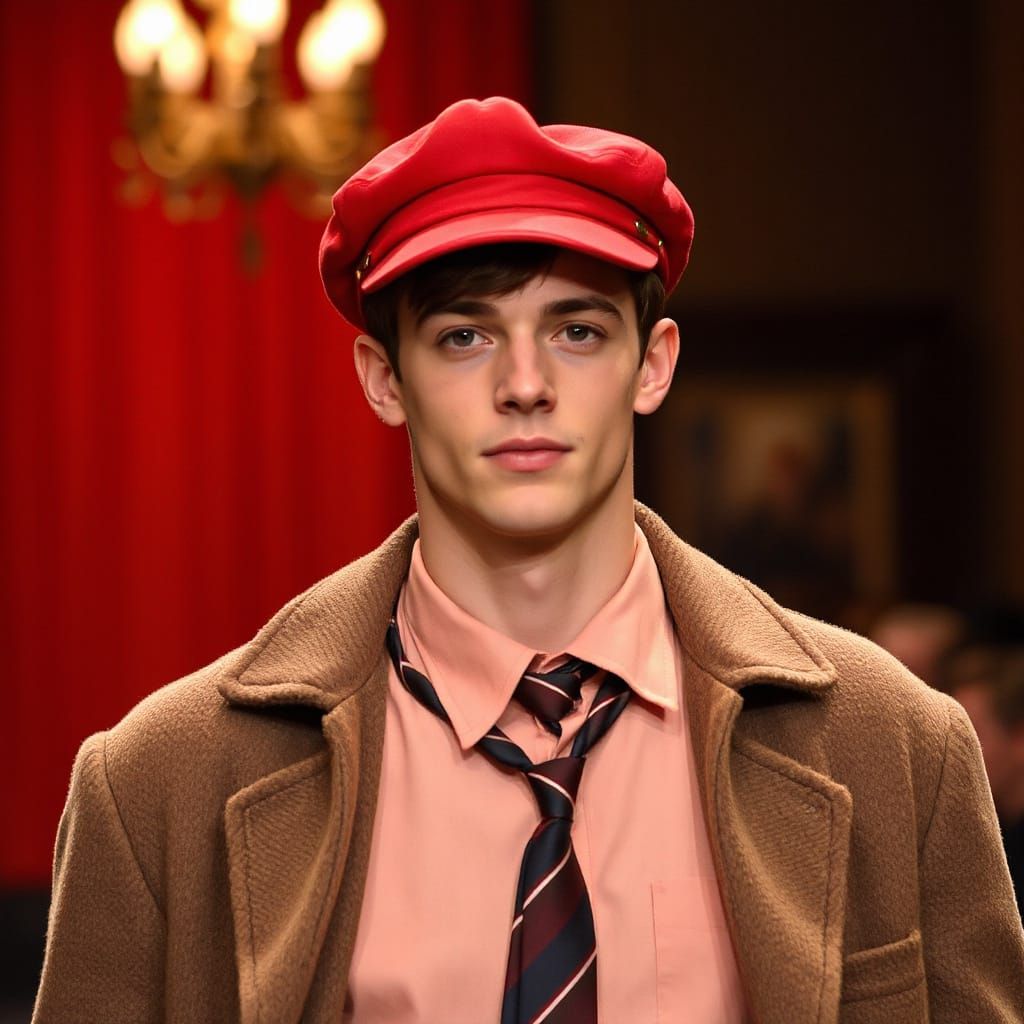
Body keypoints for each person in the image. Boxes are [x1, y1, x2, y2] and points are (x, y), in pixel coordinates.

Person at [32, 98, 1023, 1024]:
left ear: (653, 364)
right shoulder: (160, 787)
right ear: (383, 379)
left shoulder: (896, 749)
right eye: (465, 335)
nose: (524, 383)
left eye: (577, 330)